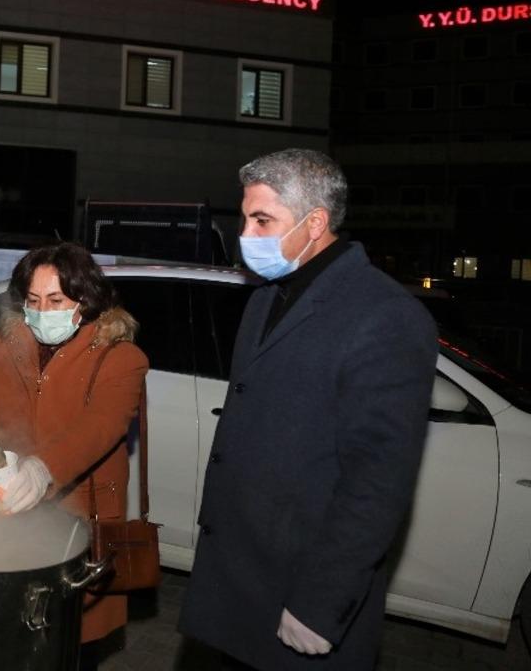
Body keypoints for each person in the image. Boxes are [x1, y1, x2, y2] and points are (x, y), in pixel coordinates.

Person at [178, 149, 438, 670]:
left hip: (298, 591)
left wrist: (322, 603)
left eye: (262, 220)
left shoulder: (385, 315)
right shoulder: (266, 298)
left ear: (315, 222)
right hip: (235, 580)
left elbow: (377, 480)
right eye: (246, 217)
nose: (247, 234)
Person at [0, 242, 147, 668]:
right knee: (6, 633)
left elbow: (100, 428)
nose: (40, 311)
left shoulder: (121, 358)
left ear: (84, 300)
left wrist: (43, 467)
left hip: (78, 519)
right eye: (32, 300)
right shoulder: (11, 337)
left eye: (55, 300)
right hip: (8, 505)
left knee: (65, 640)